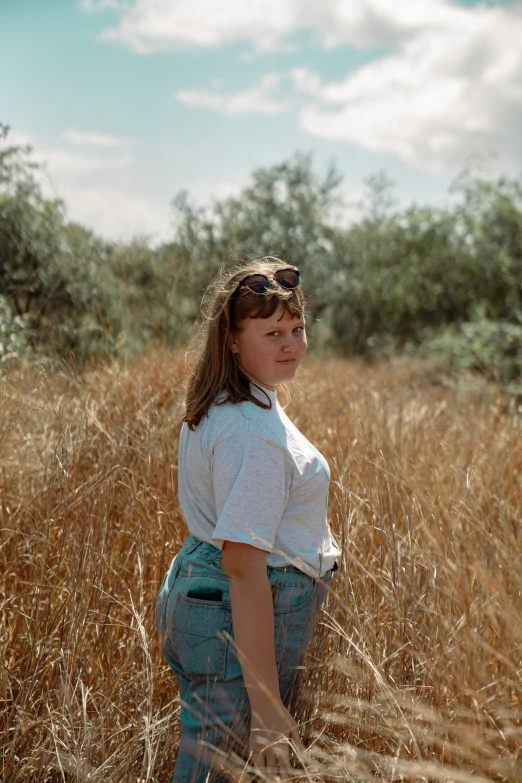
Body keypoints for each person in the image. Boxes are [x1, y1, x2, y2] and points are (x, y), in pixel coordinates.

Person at [156, 258, 341, 782]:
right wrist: (265, 711)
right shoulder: (252, 434)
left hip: (207, 594)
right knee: (216, 768)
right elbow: (241, 564)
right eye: (272, 333)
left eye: (297, 329)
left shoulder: (236, 400)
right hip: (243, 609)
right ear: (233, 341)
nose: (291, 345)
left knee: (216, 760)